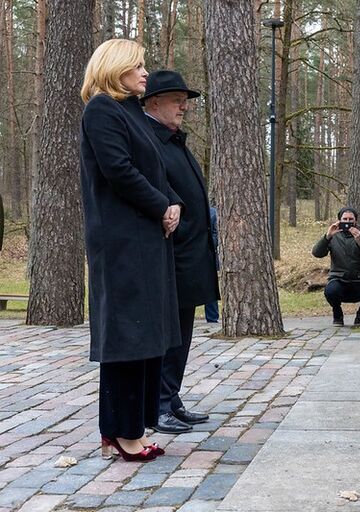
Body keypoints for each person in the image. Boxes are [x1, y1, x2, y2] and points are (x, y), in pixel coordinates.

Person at [80, 39, 182, 462]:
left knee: (145, 335)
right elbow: (118, 169)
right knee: (128, 337)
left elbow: (151, 168)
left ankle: (125, 429)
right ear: (114, 67)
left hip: (144, 238)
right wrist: (161, 205)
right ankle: (124, 432)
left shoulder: (130, 112)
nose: (145, 73)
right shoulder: (102, 109)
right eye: (137, 66)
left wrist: (173, 201)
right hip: (123, 242)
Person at [142, 70, 219, 434]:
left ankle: (171, 398)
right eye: (176, 99)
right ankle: (157, 405)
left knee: (183, 331)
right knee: (168, 333)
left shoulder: (173, 140)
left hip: (191, 253)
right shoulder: (150, 141)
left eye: (185, 99)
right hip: (171, 254)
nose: (183, 106)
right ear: (153, 103)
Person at [311, 207, 360, 326]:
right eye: (345, 219)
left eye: (351, 219)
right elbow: (317, 253)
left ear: (355, 221)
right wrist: (327, 237)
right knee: (330, 291)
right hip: (339, 279)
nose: (348, 222)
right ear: (339, 220)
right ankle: (337, 315)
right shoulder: (334, 235)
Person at [204, 206, 220, 323]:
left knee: (209, 286)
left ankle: (212, 318)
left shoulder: (212, 213)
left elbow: (216, 236)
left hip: (207, 255)